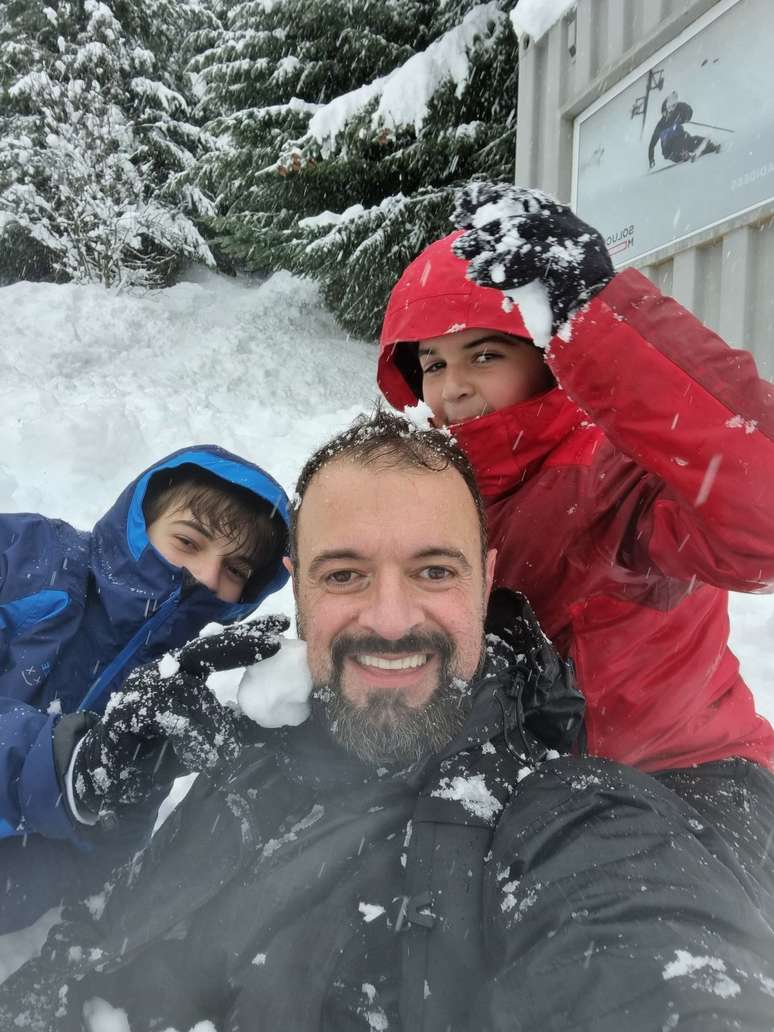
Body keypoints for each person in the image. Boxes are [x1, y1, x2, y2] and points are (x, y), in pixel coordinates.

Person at [1, 411, 772, 1032]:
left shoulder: (574, 822)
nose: (393, 619)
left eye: (434, 570)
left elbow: (655, 962)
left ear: (488, 580)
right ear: (298, 594)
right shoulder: (249, 761)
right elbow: (92, 950)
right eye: (345, 574)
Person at [377, 183, 774, 838]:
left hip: (686, 783)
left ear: (547, 356)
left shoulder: (617, 473)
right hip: (529, 792)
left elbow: (762, 520)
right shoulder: (443, 490)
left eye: (484, 354)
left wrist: (594, 316)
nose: (454, 387)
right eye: (432, 363)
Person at [0, 444, 290, 932]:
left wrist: (125, 792)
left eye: (236, 571)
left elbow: (87, 867)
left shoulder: (163, 691)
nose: (207, 575)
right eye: (189, 541)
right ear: (139, 525)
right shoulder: (26, 554)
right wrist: (62, 762)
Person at [648, 91, 721, 168]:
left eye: (671, 110)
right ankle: (683, 155)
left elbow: (689, 111)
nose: (669, 114)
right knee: (680, 142)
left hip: (682, 139)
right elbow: (652, 145)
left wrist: (686, 116)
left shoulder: (676, 114)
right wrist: (651, 159)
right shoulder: (660, 126)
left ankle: (709, 146)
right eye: (666, 113)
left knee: (692, 139)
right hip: (670, 151)